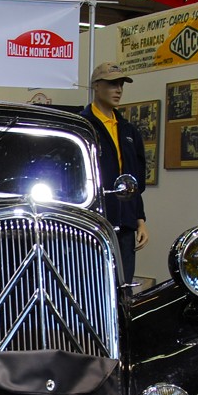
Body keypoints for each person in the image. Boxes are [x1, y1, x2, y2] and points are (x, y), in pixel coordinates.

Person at [80, 62, 148, 284]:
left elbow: (135, 181)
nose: (118, 90)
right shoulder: (83, 126)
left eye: (120, 84)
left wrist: (140, 220)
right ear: (96, 86)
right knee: (90, 286)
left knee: (123, 287)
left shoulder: (128, 130)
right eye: (112, 84)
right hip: (92, 223)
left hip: (125, 225)